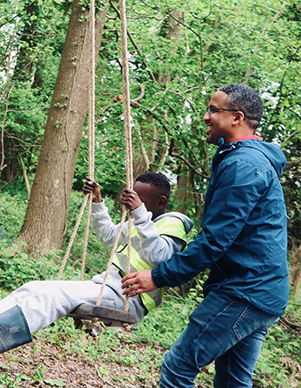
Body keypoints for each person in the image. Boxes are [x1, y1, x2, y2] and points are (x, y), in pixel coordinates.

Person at [0, 172, 193, 369]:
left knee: (53, 297)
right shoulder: (142, 220)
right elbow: (108, 236)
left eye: (141, 201)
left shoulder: (172, 223)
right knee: (33, 287)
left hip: (129, 299)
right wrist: (98, 202)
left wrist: (139, 214)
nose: (133, 207)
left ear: (161, 202)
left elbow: (160, 257)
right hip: (107, 287)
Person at [122, 84, 289, 388]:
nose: (205, 117)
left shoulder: (244, 165)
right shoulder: (244, 159)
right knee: (231, 383)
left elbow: (214, 240)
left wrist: (158, 277)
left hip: (244, 291)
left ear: (237, 117)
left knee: (177, 369)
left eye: (213, 110)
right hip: (262, 292)